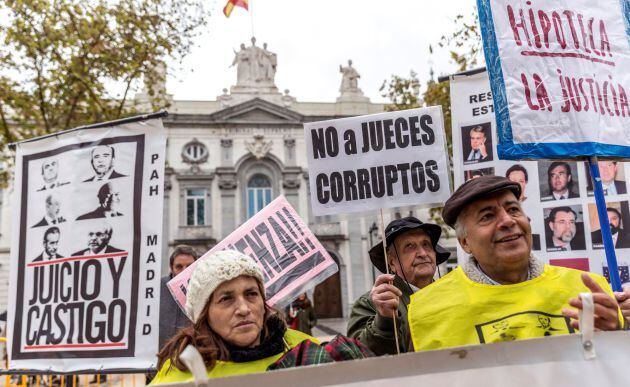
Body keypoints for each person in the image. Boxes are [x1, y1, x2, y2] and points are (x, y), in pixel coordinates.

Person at [408, 176, 624, 352]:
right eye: (487, 216)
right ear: (465, 242)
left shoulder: (587, 290)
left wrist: (618, 336)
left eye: (513, 210)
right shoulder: (426, 310)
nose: (508, 221)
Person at [151, 250, 319, 384]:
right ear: (204, 314)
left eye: (251, 294)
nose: (244, 309)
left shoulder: (309, 351)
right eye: (226, 299)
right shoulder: (178, 375)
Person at [347, 217, 450, 355]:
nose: (422, 253)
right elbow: (358, 355)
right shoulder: (371, 303)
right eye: (410, 246)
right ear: (392, 263)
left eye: (426, 245)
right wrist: (384, 320)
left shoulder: (452, 293)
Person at [159, 245, 199, 350]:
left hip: (193, 353)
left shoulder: (204, 288)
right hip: (161, 353)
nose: (184, 271)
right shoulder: (156, 288)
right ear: (171, 268)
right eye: (179, 267)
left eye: (189, 266)